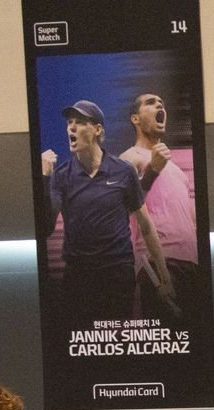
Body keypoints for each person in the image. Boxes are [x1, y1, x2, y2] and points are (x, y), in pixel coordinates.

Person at [39, 100, 175, 325]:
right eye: (69, 123)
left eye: (80, 122)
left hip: (117, 274)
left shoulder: (123, 171)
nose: (71, 128)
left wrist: (164, 277)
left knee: (117, 342)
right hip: (78, 277)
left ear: (97, 130)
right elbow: (46, 227)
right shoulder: (61, 176)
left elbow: (146, 225)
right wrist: (45, 178)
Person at [120, 92, 200, 322]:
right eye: (150, 103)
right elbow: (121, 208)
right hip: (158, 261)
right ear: (135, 119)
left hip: (190, 263)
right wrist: (151, 170)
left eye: (161, 103)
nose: (159, 105)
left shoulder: (175, 169)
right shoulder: (129, 158)